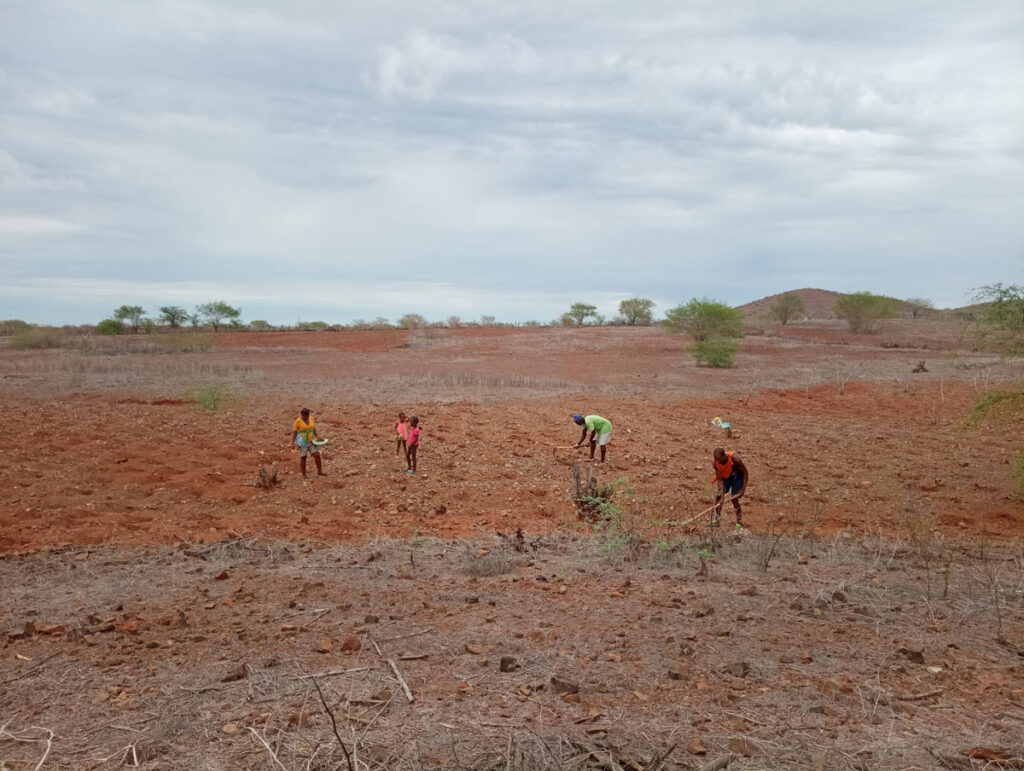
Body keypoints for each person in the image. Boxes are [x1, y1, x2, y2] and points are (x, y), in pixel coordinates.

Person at [712, 448, 748, 529]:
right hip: (725, 477)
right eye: (716, 459)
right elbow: (720, 480)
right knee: (718, 497)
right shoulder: (716, 463)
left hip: (737, 476)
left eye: (719, 460)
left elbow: (745, 473)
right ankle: (716, 520)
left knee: (734, 498)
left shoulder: (735, 459)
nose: (718, 461)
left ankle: (739, 522)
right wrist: (722, 496)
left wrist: (743, 489)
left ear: (724, 456)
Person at [291, 408, 325, 479]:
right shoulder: (298, 421)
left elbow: (313, 428)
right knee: (303, 457)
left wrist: (317, 436)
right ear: (302, 415)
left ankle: (319, 471)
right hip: (302, 441)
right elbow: (294, 432)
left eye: (308, 415)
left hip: (311, 440)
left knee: (317, 455)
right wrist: (292, 443)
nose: (307, 416)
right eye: (305, 415)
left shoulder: (311, 418)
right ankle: (303, 474)